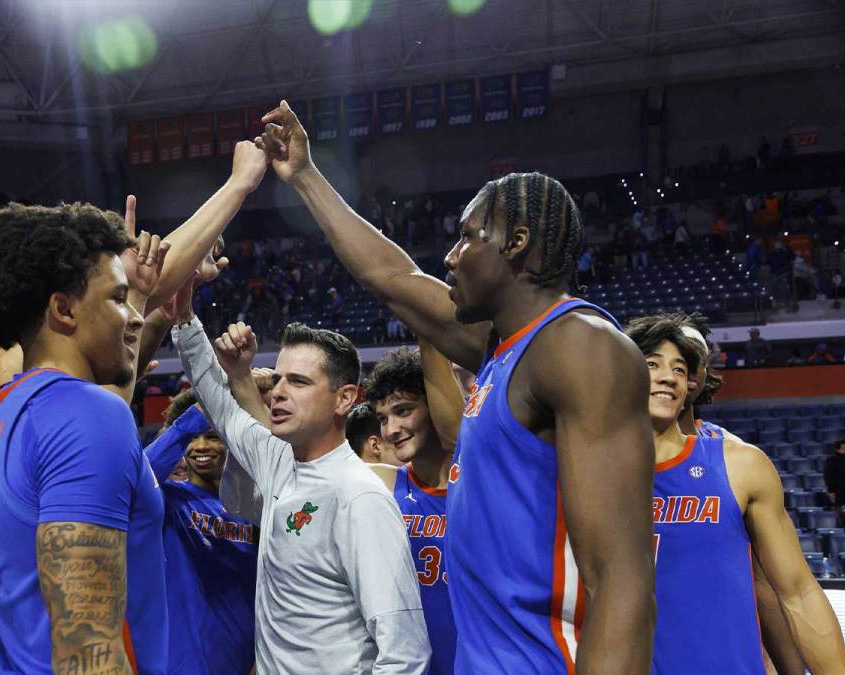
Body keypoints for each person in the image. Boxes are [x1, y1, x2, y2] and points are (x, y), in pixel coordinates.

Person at [256, 100, 655, 672]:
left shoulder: (580, 346)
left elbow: (623, 577)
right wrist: (306, 177)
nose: (451, 256)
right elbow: (391, 278)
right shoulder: (504, 348)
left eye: (468, 238)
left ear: (515, 243)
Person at [0, 201, 170, 674]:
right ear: (64, 309)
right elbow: (86, 647)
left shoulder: (1, 405)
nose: (133, 317)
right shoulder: (88, 413)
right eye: (118, 298)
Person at [174, 292, 430, 672]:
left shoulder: (359, 497)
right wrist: (183, 316)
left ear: (344, 399)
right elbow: (221, 407)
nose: (277, 392)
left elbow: (405, 652)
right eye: (278, 379)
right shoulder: (279, 459)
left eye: (298, 382)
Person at [623, 314, 845, 673]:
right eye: (651, 364)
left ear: (692, 384)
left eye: (680, 369)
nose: (667, 376)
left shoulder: (738, 463)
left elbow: (795, 593)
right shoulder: (587, 474)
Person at [360, 342, 464, 675]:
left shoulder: (482, 483)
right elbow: (298, 469)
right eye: (382, 418)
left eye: (403, 411)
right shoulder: (382, 483)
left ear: (434, 404)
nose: (390, 429)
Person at [143, 390, 258, 675]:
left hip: (246, 663)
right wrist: (195, 416)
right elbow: (138, 474)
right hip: (181, 665)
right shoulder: (170, 499)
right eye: (193, 438)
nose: (200, 446)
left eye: (213, 436)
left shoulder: (256, 508)